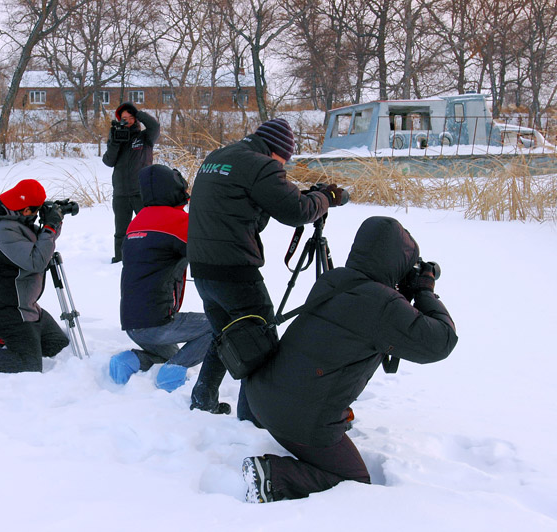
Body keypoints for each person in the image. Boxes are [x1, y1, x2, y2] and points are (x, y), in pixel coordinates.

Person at [240, 217, 458, 502]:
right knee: (353, 481)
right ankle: (272, 477)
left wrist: (400, 294)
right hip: (295, 418)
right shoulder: (382, 304)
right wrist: (424, 292)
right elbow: (441, 342)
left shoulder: (335, 279)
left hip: (261, 395)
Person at [187, 117, 344, 414]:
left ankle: (202, 398)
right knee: (259, 344)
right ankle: (254, 418)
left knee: (228, 334)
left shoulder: (220, 156)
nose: (283, 168)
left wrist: (305, 195)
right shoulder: (261, 164)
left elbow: (255, 204)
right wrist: (326, 198)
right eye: (283, 162)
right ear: (277, 152)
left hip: (203, 268)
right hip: (235, 270)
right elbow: (297, 211)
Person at [109, 164, 214, 392]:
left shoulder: (137, 222)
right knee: (220, 326)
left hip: (133, 324)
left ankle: (128, 361)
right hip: (158, 322)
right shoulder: (177, 221)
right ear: (175, 190)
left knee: (170, 353)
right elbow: (209, 255)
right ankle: (172, 375)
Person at [0, 179, 69, 375]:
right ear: (26, 210)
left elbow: (40, 242)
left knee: (58, 345)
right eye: (36, 210)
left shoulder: (16, 218)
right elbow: (37, 261)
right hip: (8, 311)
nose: (37, 214)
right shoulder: (2, 231)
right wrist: (51, 227)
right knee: (29, 364)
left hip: (26, 306)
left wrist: (54, 221)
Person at [102, 101, 160, 263]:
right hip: (120, 193)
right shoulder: (116, 138)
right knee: (121, 231)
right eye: (123, 118)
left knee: (147, 227)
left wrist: (138, 112)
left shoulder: (145, 138)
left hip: (141, 191)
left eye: (130, 117)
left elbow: (155, 126)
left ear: (135, 119)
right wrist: (115, 141)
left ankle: (150, 259)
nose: (126, 121)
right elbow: (108, 161)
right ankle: (120, 259)